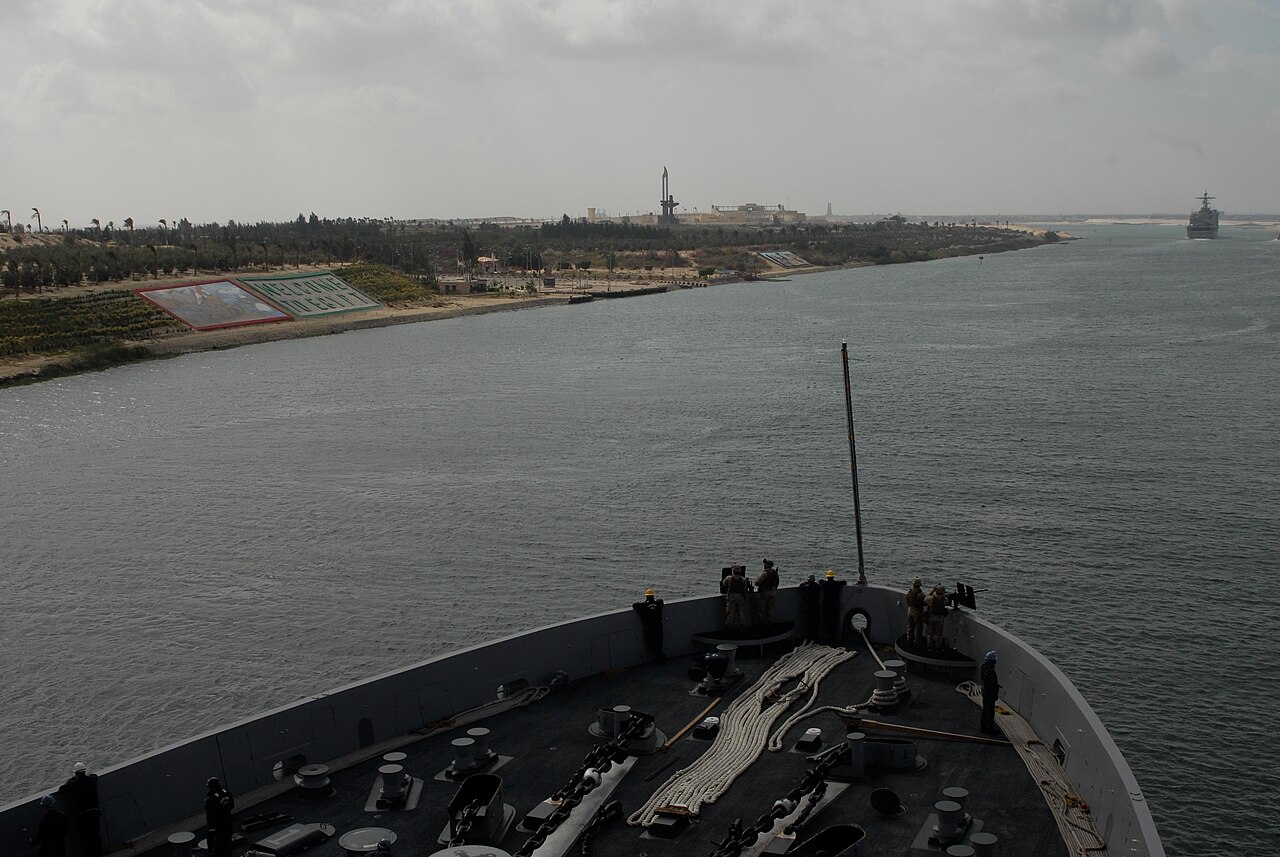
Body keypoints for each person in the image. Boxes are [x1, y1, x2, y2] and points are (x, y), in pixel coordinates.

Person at [58, 762, 102, 857]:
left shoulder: (74, 785)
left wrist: (70, 781)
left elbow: (61, 789)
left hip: (85, 816)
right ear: (84, 771)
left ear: (75, 773)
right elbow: (95, 775)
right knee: (96, 836)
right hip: (96, 813)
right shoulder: (91, 780)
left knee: (86, 839)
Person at [632, 587, 666, 663]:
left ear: (646, 596)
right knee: (659, 642)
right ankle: (660, 657)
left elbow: (635, 605)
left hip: (649, 628)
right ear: (653, 596)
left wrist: (646, 603)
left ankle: (656, 656)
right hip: (658, 626)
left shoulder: (644, 606)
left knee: (650, 643)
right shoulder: (658, 604)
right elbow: (661, 601)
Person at [204, 777, 235, 857]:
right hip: (228, 826)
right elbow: (231, 806)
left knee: (217, 852)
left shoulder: (210, 801)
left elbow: (210, 819)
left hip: (218, 831)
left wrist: (211, 834)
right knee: (228, 849)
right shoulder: (227, 794)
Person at [818, 569, 846, 643]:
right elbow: (844, 582)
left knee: (827, 620)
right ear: (833, 577)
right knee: (834, 620)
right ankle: (833, 635)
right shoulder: (837, 584)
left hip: (827, 605)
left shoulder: (825, 584)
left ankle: (828, 635)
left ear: (827, 577)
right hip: (835, 605)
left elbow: (820, 581)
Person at [980, 651, 1001, 734]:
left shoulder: (983, 668)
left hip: (985, 692)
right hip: (989, 694)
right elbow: (992, 684)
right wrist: (996, 687)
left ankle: (983, 727)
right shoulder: (991, 672)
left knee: (985, 710)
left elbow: (984, 680)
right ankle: (990, 729)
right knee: (990, 712)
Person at [755, 559, 779, 626]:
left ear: (767, 565)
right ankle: (770, 622)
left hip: (764, 592)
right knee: (770, 608)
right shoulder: (775, 573)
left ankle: (761, 623)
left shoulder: (765, 573)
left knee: (761, 608)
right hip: (772, 592)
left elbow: (757, 583)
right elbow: (777, 583)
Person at [797, 574, 821, 641]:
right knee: (815, 622)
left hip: (808, 606)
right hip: (816, 606)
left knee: (808, 622)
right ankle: (816, 636)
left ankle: (809, 636)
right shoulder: (817, 586)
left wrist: (805, 583)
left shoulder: (806, 587)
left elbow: (800, 587)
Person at [926, 584, 948, 652]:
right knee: (938, 634)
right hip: (940, 618)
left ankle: (930, 647)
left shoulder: (931, 598)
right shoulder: (945, 599)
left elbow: (925, 598)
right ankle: (937, 646)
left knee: (930, 633)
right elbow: (946, 602)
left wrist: (932, 591)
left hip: (931, 617)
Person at [904, 578, 926, 647]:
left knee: (910, 626)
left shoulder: (909, 592)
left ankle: (909, 640)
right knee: (918, 628)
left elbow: (907, 599)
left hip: (910, 610)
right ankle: (917, 643)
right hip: (917, 611)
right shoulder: (921, 594)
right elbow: (925, 602)